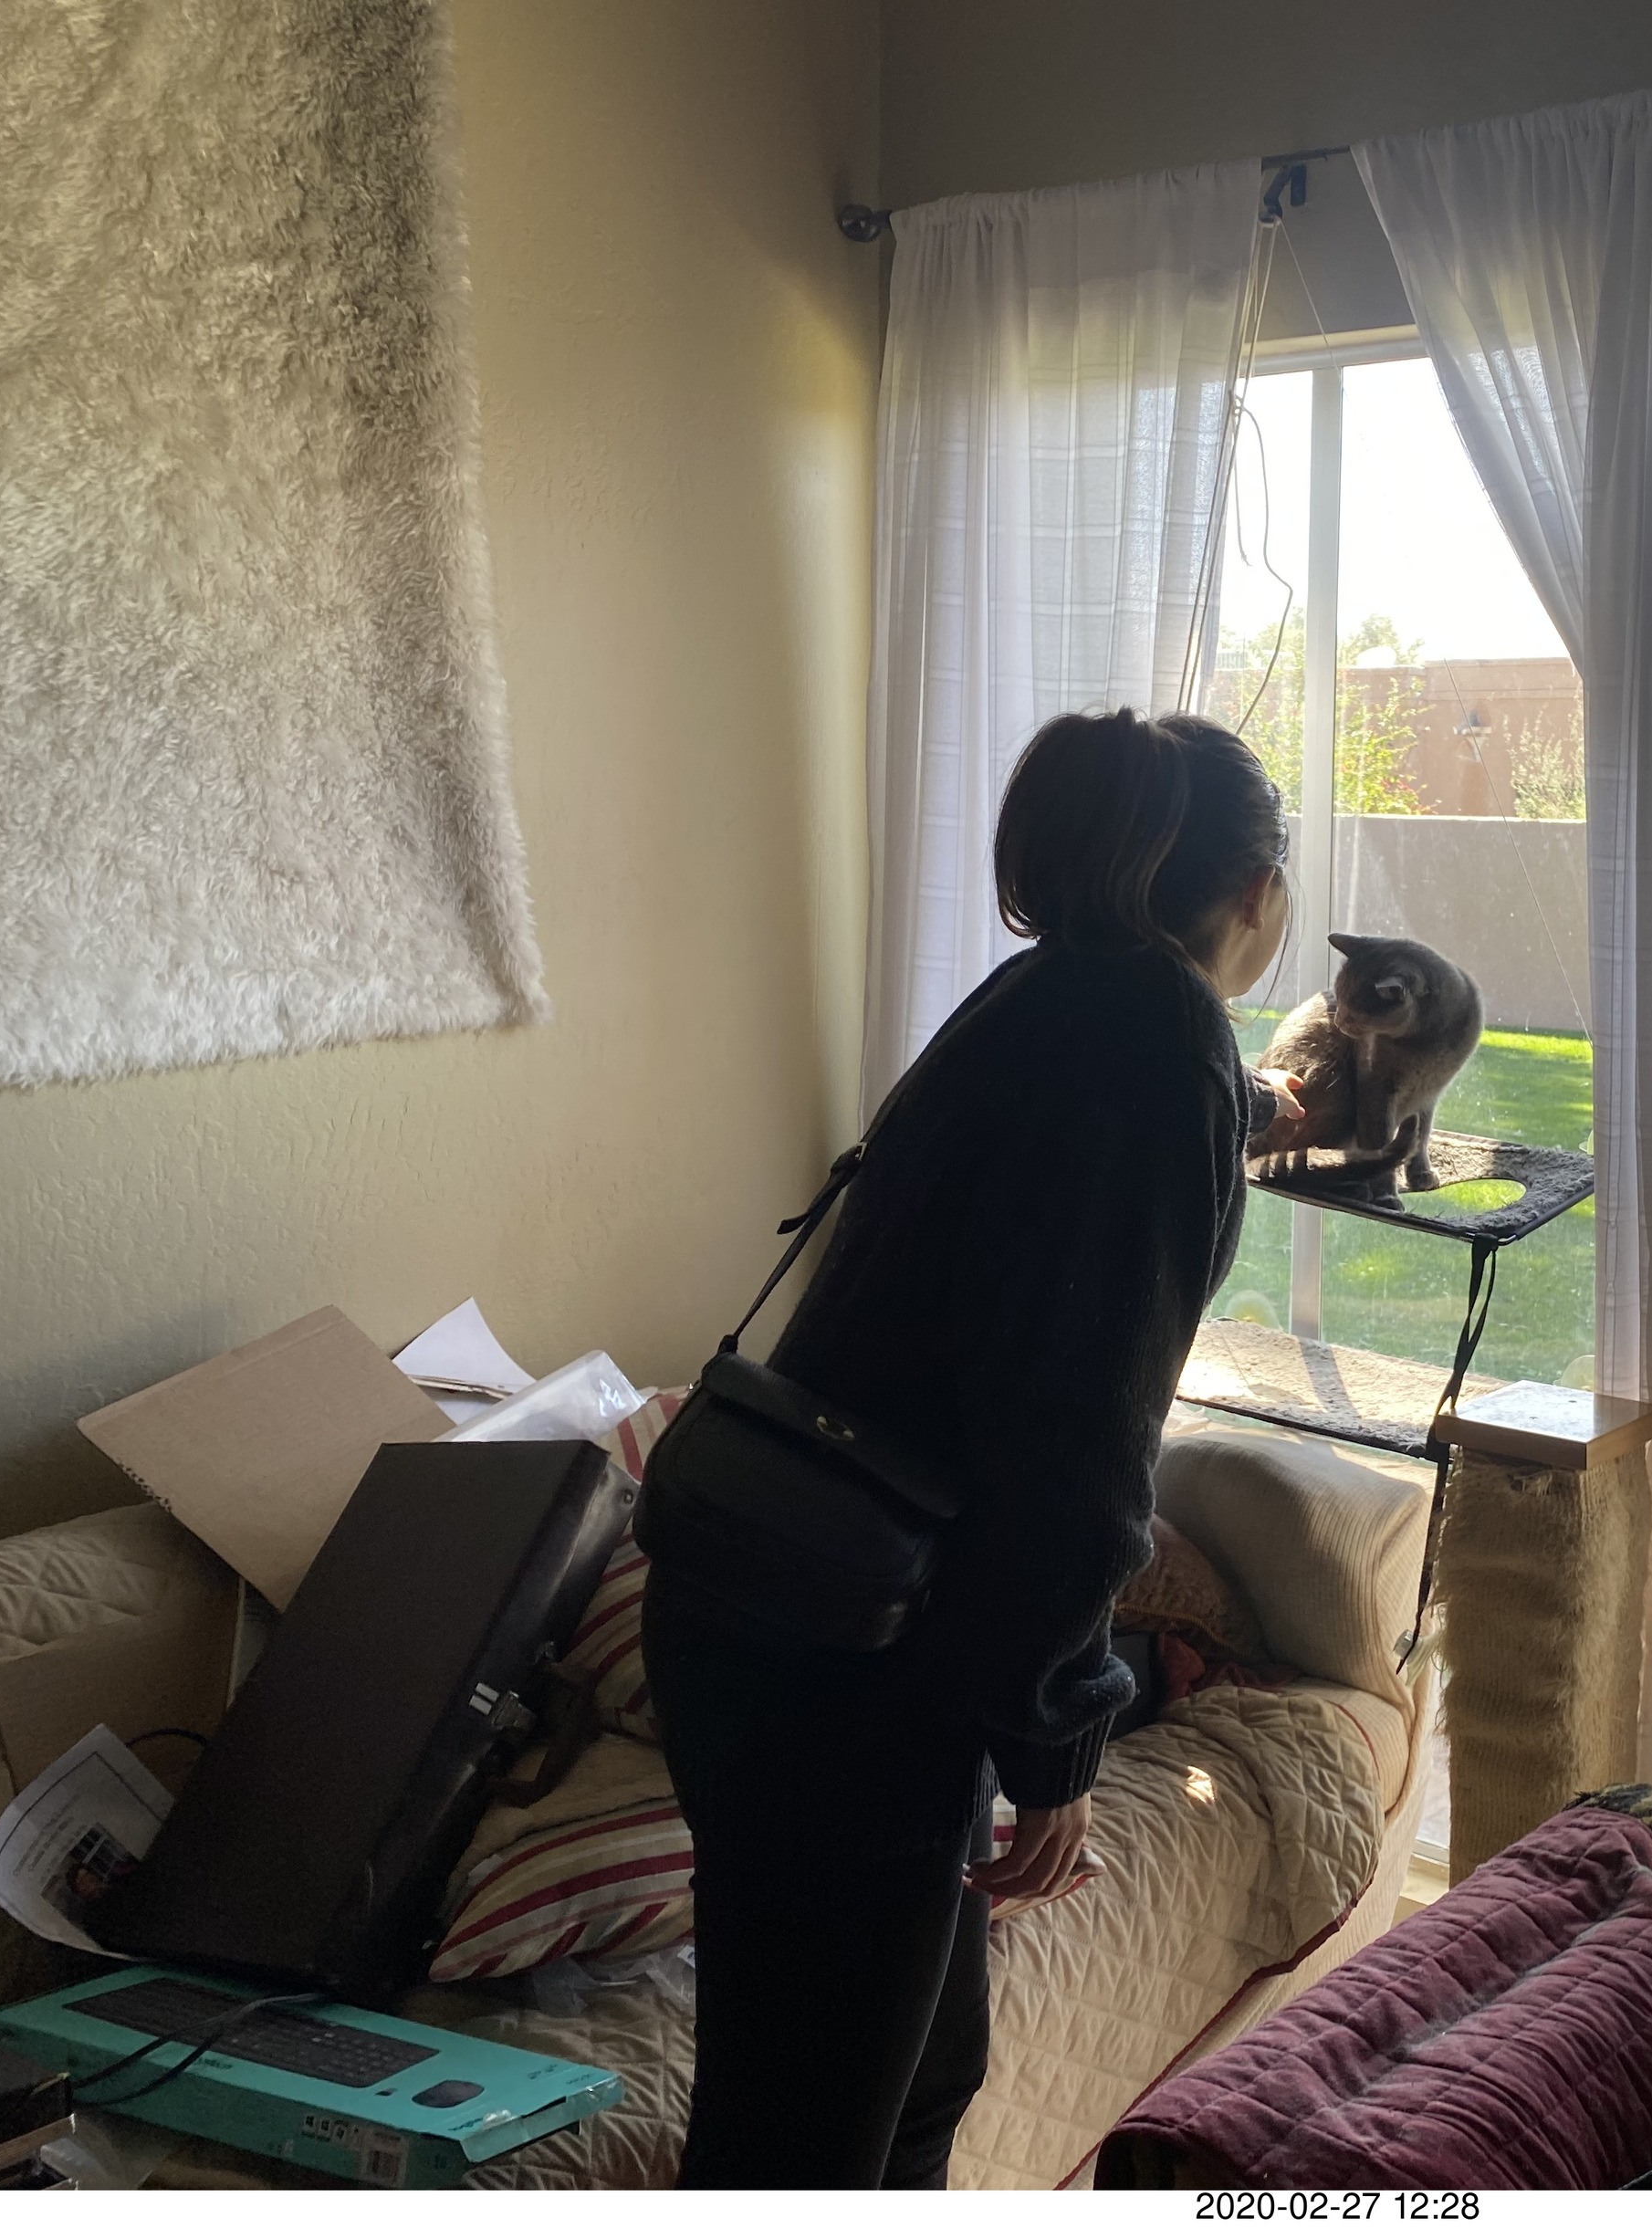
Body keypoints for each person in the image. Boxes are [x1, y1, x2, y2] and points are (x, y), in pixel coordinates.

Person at [642, 708, 1296, 2188]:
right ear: (1259, 893)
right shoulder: (1159, 1037)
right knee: (796, 2155)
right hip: (842, 1663)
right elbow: (1077, 1440)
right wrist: (1057, 1739)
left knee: (922, 2078)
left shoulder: (1051, 992)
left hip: (768, 1614)